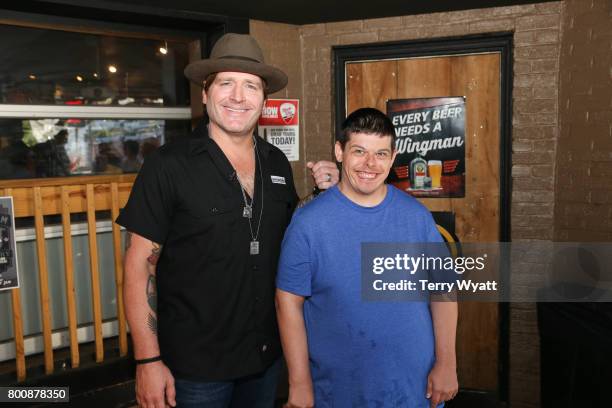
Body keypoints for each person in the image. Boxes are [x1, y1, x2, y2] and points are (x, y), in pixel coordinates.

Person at [116, 33, 339, 408]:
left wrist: (320, 197)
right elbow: (139, 265)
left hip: (264, 358)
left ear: (264, 100)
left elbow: (285, 235)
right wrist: (148, 360)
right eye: (226, 83)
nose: (238, 96)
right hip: (194, 368)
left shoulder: (276, 163)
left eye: (251, 86)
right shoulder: (167, 165)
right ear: (205, 93)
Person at [276, 108, 458, 408]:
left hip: (414, 388)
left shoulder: (417, 217)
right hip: (339, 390)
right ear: (339, 151)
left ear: (393, 155)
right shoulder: (308, 223)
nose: (370, 164)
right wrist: (299, 383)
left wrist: (447, 363)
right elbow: (288, 304)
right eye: (359, 151)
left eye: (381, 153)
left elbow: (443, 292)